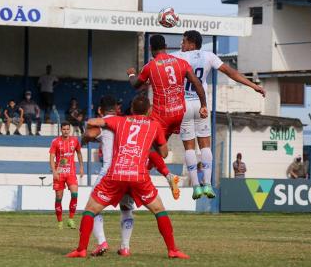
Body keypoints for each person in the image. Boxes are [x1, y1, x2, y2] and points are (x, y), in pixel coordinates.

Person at [66, 95, 189, 259]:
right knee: (159, 210)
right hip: (138, 176)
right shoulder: (154, 125)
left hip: (115, 173)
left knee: (90, 210)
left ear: (131, 109)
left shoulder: (120, 121)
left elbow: (93, 123)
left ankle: (82, 249)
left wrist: (97, 122)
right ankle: (172, 250)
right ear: (148, 110)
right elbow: (164, 153)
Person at [171, 30, 266, 199]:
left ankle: (195, 187)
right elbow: (231, 73)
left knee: (189, 147)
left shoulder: (177, 57)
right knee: (205, 145)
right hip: (202, 105)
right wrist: (253, 86)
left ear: (192, 43)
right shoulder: (209, 56)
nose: (181, 44)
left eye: (184, 41)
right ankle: (207, 184)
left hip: (184, 105)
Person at [127, 34, 208, 200]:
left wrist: (131, 75)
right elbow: (197, 83)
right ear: (165, 46)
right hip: (179, 113)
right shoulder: (181, 63)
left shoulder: (150, 66)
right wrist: (204, 105)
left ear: (151, 48)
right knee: (158, 151)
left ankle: (167, 177)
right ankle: (142, 180)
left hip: (161, 117)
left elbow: (136, 85)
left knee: (148, 149)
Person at [82, 95, 135, 257]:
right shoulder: (126, 123)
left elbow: (89, 135)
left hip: (109, 171)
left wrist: (84, 137)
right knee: (126, 208)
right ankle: (125, 247)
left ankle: (102, 242)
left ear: (100, 110)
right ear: (117, 109)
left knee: (92, 208)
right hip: (127, 170)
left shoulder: (103, 124)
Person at [49, 121, 84, 229]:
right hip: (59, 172)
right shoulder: (55, 142)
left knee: (75, 194)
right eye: (64, 129)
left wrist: (81, 167)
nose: (66, 131)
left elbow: (78, 153)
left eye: (67, 129)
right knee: (59, 197)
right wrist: (54, 171)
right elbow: (51, 157)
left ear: (70, 129)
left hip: (71, 172)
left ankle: (71, 219)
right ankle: (60, 221)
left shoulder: (75, 141)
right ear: (61, 130)